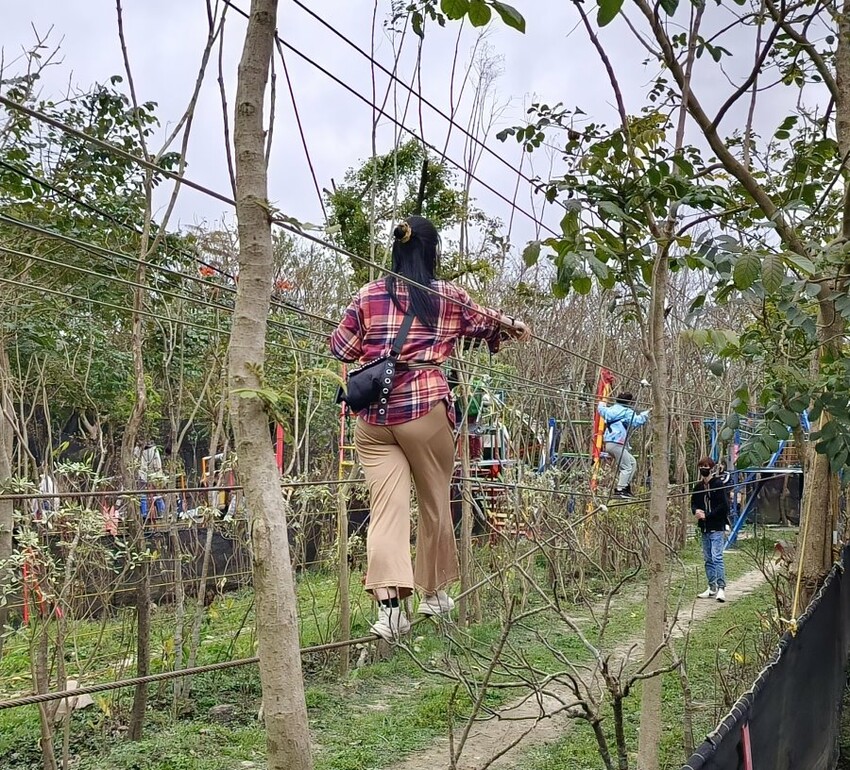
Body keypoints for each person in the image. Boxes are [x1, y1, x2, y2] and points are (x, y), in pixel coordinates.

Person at [329, 215, 530, 641]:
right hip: (424, 410)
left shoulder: (368, 294)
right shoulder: (448, 296)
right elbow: (488, 323)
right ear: (432, 251)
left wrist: (376, 342)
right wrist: (514, 325)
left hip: (373, 420)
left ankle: (390, 612)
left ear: (396, 249)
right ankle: (434, 594)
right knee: (435, 501)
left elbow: (341, 347)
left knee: (386, 510)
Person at [691, 456, 730, 602]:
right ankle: (711, 586)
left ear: (711, 468)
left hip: (716, 526)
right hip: (704, 527)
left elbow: (724, 506)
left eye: (706, 466)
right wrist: (696, 512)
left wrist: (708, 515)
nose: (704, 469)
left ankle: (721, 588)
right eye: (701, 466)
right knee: (708, 559)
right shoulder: (698, 487)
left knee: (717, 557)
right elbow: (693, 503)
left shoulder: (718, 484)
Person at [597, 391, 649, 498]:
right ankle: (620, 489)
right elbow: (636, 421)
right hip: (617, 443)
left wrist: (602, 402)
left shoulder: (610, 410)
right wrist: (645, 415)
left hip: (609, 443)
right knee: (626, 467)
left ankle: (625, 486)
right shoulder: (627, 412)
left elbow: (601, 409)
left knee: (632, 462)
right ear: (629, 402)